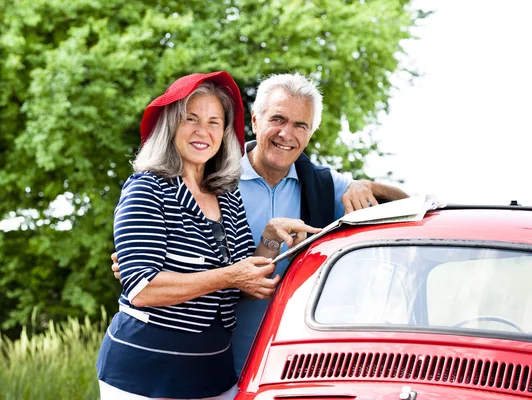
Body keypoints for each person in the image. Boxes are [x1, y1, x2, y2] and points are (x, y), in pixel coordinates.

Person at [111, 72, 410, 378]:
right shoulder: (213, 177)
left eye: (300, 125)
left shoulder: (324, 186)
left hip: (290, 363)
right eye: (277, 119)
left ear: (310, 134)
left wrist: (366, 185)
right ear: (255, 120)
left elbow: (413, 208)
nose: (286, 134)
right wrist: (143, 267)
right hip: (217, 360)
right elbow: (149, 265)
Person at [97, 71, 319, 400]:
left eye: (215, 122)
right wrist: (229, 276)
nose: (204, 131)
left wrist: (270, 237)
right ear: (171, 124)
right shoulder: (147, 188)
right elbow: (143, 288)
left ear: (225, 132)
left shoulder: (226, 194)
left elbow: (244, 280)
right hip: (143, 376)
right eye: (192, 119)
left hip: (213, 375)